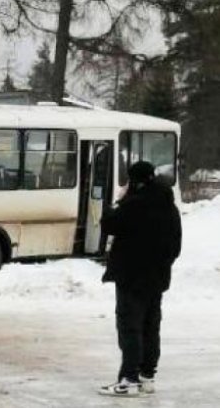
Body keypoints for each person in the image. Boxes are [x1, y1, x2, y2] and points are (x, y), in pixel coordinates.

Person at [98, 161, 182, 397]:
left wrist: (117, 202)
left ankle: (128, 379)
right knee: (150, 326)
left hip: (131, 278)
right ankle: (147, 376)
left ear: (135, 181)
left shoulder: (134, 205)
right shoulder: (169, 207)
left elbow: (109, 225)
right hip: (157, 279)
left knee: (129, 327)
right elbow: (175, 246)